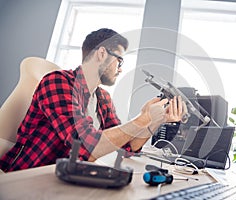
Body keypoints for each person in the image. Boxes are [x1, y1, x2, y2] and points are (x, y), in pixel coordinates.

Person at [0, 28, 186, 172]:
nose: (120, 69)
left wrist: (154, 121)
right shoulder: (57, 82)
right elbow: (83, 146)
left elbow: (128, 147)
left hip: (68, 177)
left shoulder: (103, 98)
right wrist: (141, 119)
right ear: (102, 53)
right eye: (119, 61)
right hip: (29, 176)